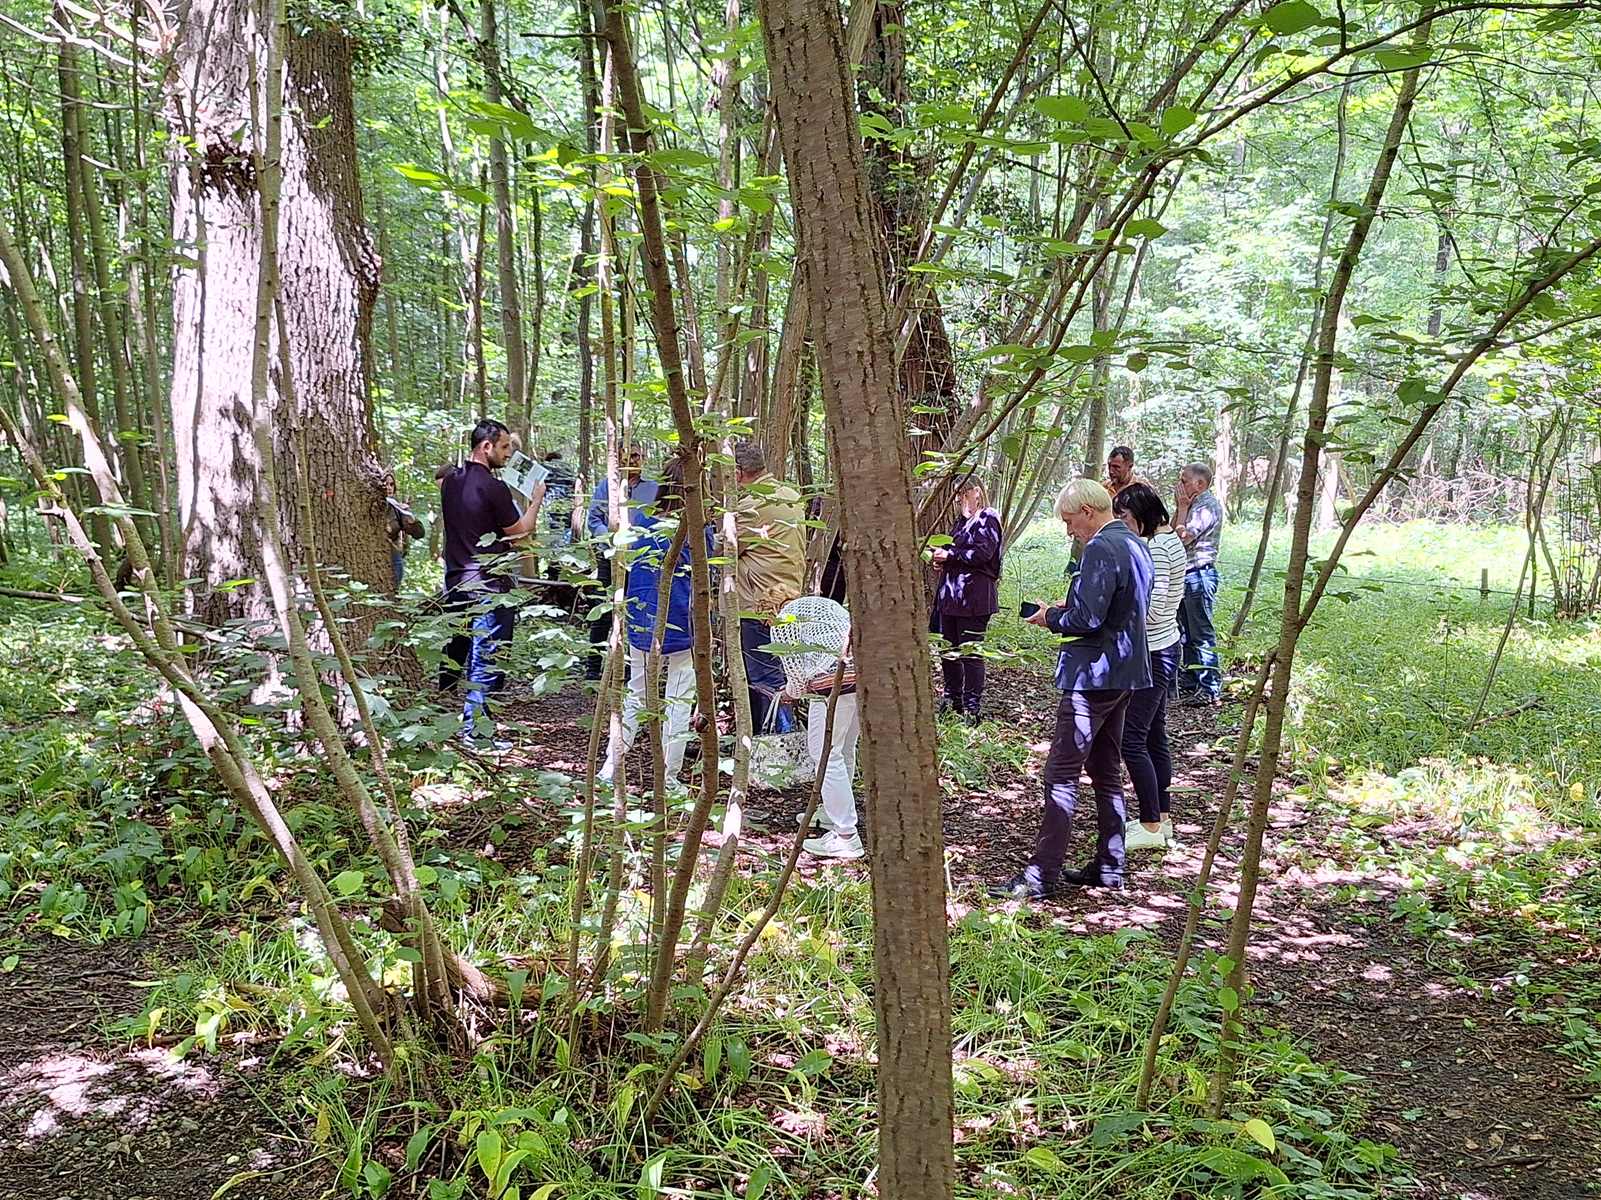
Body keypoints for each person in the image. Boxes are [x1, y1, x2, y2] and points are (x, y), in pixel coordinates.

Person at [990, 479, 1152, 900]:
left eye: (1069, 521)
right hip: (1125, 672)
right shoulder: (1136, 543)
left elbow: (1088, 619)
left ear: (1088, 511)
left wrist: (1051, 617)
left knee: (1061, 773)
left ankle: (1041, 875)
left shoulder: (1101, 547)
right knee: (1105, 770)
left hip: (1094, 675)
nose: (1068, 531)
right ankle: (1110, 863)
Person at [598, 457, 712, 788]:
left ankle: (611, 766)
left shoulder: (641, 525)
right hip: (682, 627)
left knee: (637, 694)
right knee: (678, 698)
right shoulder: (696, 529)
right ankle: (668, 776)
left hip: (643, 623)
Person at [439, 419, 547, 743]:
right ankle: (475, 733)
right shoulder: (494, 488)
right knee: (486, 659)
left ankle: (472, 725)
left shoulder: (450, 482)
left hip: (457, 583)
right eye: (503, 448)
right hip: (489, 586)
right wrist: (537, 499)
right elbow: (521, 535)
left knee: (469, 655)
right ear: (486, 447)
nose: (507, 455)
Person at [1112, 483, 1186, 851]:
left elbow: (1155, 608)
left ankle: (1151, 824)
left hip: (1155, 651)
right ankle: (1162, 816)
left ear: (1141, 514)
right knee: (1155, 734)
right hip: (1165, 646)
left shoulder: (1156, 549)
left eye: (1124, 517)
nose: (1121, 524)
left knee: (1133, 739)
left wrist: (1114, 610)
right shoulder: (1167, 540)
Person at [731, 440, 806, 734]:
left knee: (765, 677)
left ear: (738, 473)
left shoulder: (751, 506)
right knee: (783, 674)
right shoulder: (789, 495)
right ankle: (766, 736)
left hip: (758, 604)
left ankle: (781, 745)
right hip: (789, 599)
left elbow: (723, 550)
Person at [930, 475, 1002, 724]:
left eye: (964, 492)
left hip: (974, 598)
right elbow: (954, 553)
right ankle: (953, 700)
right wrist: (940, 560)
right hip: (950, 597)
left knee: (970, 652)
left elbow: (983, 553)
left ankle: (972, 708)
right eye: (957, 494)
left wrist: (949, 555)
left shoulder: (987, 518)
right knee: (948, 650)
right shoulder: (960, 523)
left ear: (976, 492)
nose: (960, 498)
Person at [583, 449, 658, 680]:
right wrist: (613, 540)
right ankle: (593, 668)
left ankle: (630, 665)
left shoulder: (653, 488)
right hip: (611, 557)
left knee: (637, 610)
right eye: (629, 456)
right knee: (604, 611)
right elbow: (593, 520)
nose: (634, 460)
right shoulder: (607, 486)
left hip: (641, 560)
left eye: (637, 455)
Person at [1172, 462, 1224, 705]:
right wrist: (1180, 507)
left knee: (1201, 632)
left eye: (1184, 481)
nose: (1180, 486)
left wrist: (1182, 507)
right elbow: (1171, 534)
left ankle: (1210, 686)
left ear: (1199, 484)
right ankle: (1192, 677)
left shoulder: (1207, 505)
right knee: (1186, 631)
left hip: (1199, 575)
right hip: (1185, 575)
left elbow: (1183, 537)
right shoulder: (1191, 505)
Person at [384, 475, 425, 592]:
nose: (389, 488)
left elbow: (419, 533)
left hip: (393, 554)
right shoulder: (371, 504)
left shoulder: (397, 508)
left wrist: (412, 520)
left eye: (391, 484)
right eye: (386, 484)